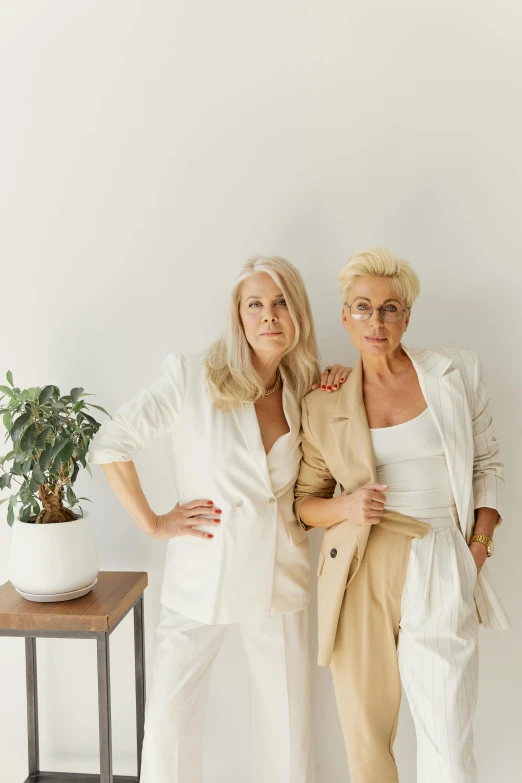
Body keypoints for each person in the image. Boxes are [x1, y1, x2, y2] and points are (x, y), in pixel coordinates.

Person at [87, 254, 349, 783]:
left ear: (298, 312)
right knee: (169, 721)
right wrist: (154, 523)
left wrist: (340, 380)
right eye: (255, 304)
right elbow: (112, 442)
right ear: (238, 315)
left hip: (281, 574)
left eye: (280, 303)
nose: (268, 316)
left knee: (289, 726)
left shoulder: (306, 386)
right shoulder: (190, 375)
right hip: (201, 575)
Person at [294, 247, 509, 783]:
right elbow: (304, 505)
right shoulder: (325, 399)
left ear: (407, 317)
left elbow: (488, 464)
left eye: (390, 308)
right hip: (359, 566)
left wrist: (477, 550)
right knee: (366, 740)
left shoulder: (455, 372)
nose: (377, 320)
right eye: (363, 308)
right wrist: (345, 505)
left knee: (449, 740)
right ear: (345, 317)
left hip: (440, 552)